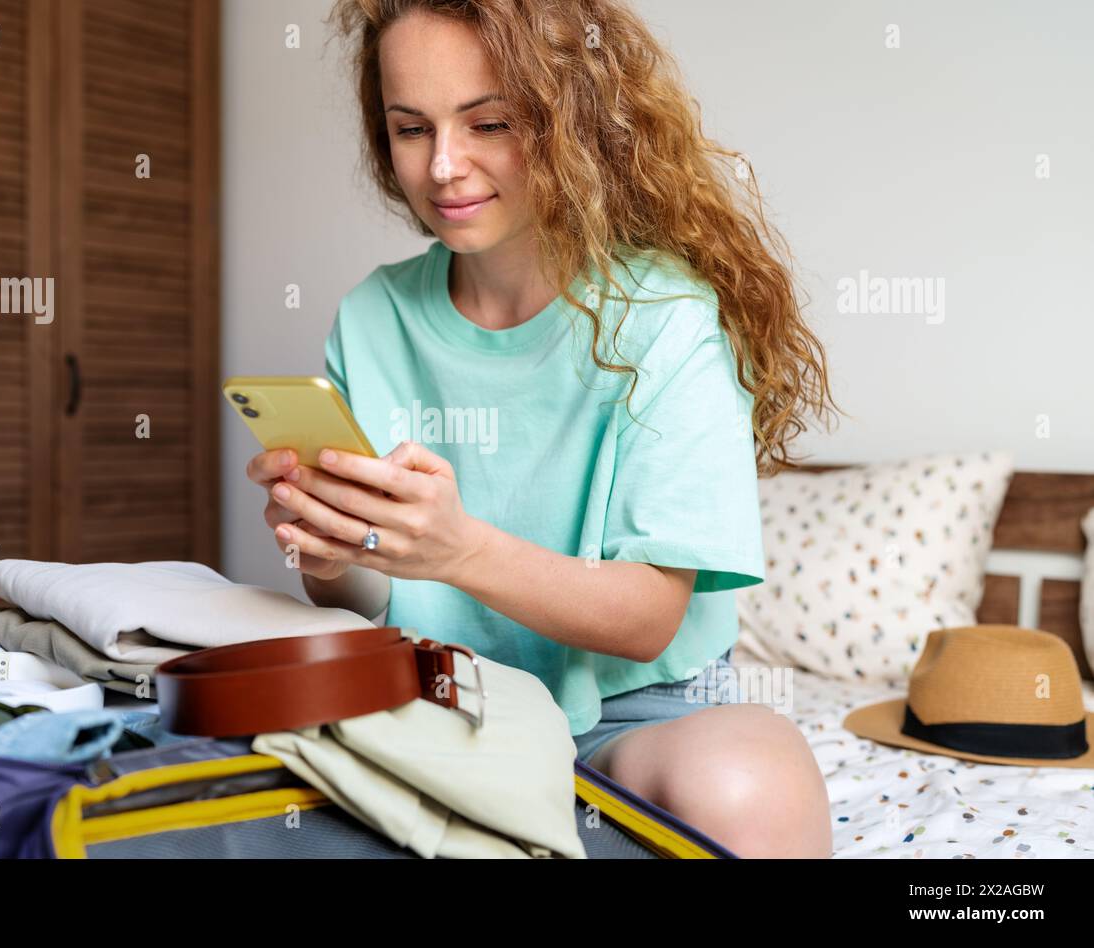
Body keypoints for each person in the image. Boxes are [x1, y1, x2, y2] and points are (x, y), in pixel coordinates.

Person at [246, 0, 845, 858]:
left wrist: (457, 550)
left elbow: (647, 620)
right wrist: (338, 554)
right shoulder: (372, 317)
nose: (445, 167)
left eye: (489, 122)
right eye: (411, 129)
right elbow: (364, 600)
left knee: (753, 781)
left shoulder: (665, 317)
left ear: (576, 122)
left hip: (630, 714)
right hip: (431, 703)